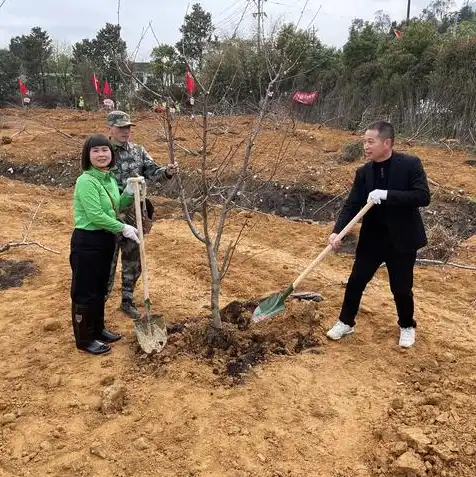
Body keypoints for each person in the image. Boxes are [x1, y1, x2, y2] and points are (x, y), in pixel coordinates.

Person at [326, 121, 430, 348]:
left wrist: (388, 195)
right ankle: (346, 322)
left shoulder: (410, 165)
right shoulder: (364, 173)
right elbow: (352, 204)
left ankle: (406, 326)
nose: (365, 146)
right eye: (364, 141)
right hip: (373, 239)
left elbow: (422, 196)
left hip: (401, 240)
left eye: (370, 141)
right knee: (355, 281)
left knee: (401, 288)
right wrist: (338, 232)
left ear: (387, 143)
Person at [70, 135, 142, 355]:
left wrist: (128, 193)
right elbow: (95, 215)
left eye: (105, 150)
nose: (101, 155)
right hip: (87, 240)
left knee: (100, 287)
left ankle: (98, 329)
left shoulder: (108, 178)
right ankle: (84, 338)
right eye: (96, 151)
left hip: (104, 239)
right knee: (85, 290)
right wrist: (123, 228)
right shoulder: (86, 181)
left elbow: (116, 205)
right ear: (88, 155)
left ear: (111, 154)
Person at [106, 110, 179, 319]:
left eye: (128, 127)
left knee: (133, 259)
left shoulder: (138, 151)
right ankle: (100, 301)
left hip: (133, 214)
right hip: (110, 214)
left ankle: (127, 300)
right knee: (107, 261)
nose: (125, 131)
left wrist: (167, 171)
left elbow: (154, 171)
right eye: (121, 127)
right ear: (110, 128)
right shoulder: (103, 152)